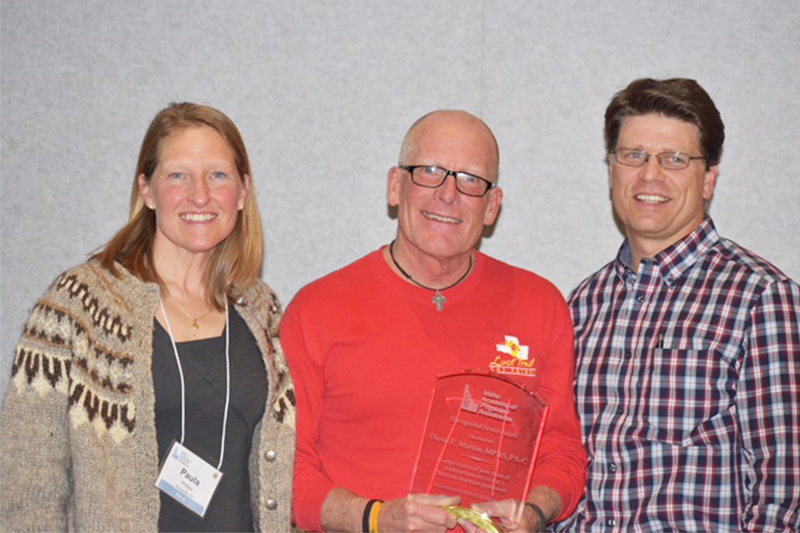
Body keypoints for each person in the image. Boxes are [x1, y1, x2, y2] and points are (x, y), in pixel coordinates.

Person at [281, 110, 587, 533]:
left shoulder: (541, 306)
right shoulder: (316, 311)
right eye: (429, 171)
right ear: (395, 186)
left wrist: (534, 512)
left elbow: (563, 448)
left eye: (470, 180)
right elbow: (285, 469)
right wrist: (375, 518)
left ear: (492, 206)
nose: (448, 194)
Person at [0, 102, 296, 532]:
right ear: (147, 189)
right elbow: (28, 487)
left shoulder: (261, 310)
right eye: (178, 175)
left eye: (218, 175)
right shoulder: (78, 307)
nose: (200, 194)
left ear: (243, 191)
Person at [562, 78, 800, 531]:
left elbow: (785, 493)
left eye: (674, 159)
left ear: (709, 177)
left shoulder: (761, 298)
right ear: (612, 167)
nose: (650, 175)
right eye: (634, 155)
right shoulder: (580, 306)